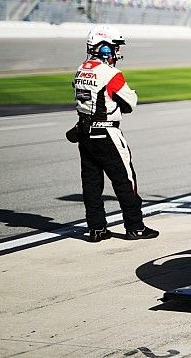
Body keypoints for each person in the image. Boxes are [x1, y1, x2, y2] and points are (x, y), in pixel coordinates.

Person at [70, 25, 158, 242]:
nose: (117, 53)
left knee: (91, 185)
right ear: (103, 47)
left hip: (85, 133)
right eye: (114, 47)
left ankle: (97, 229)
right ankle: (135, 227)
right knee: (125, 181)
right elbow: (130, 102)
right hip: (107, 132)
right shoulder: (111, 74)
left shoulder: (81, 69)